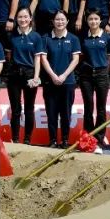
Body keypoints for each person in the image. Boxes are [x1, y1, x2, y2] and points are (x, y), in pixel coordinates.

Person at [40, 11, 80, 148]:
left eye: (63, 19)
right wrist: (53, 76)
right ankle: (52, 140)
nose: (60, 22)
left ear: (67, 21)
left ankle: (65, 140)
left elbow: (75, 59)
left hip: (68, 82)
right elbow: (43, 59)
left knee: (66, 113)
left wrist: (63, 76)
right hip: (50, 82)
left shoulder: (73, 39)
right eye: (57, 19)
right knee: (51, 113)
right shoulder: (45, 38)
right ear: (53, 21)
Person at [6, 8, 44, 144]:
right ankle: (15, 139)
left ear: (30, 18)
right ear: (16, 19)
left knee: (29, 108)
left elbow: (37, 59)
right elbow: (8, 56)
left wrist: (36, 77)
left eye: (26, 17)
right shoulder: (11, 36)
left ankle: (27, 139)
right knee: (16, 108)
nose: (23, 20)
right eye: (20, 17)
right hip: (14, 74)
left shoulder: (36, 37)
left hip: (30, 74)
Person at [77, 10, 110, 152]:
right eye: (91, 19)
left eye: (96, 19)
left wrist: (105, 72)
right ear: (87, 21)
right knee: (88, 107)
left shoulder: (107, 38)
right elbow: (80, 57)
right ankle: (88, 137)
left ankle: (99, 137)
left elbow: (109, 58)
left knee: (101, 108)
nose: (93, 21)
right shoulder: (83, 37)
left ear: (100, 20)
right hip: (86, 76)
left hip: (102, 75)